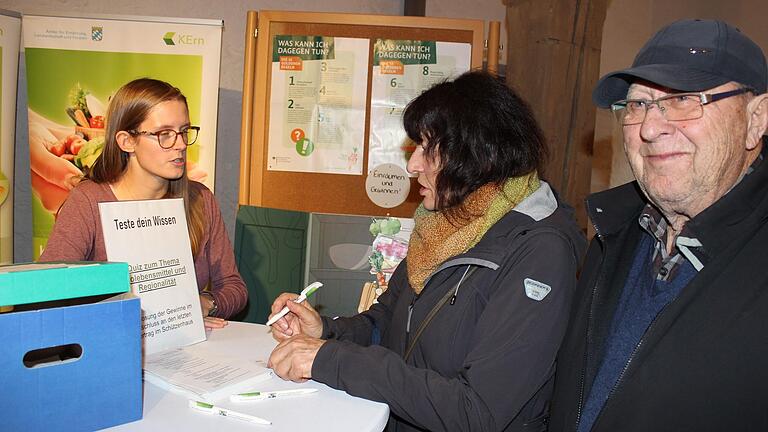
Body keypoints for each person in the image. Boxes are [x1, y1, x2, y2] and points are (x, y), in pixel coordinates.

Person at [267, 71, 586, 431]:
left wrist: (332, 359)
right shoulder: (445, 226)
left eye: (426, 148)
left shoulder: (540, 253)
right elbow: (385, 323)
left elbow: (477, 411)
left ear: (477, 156)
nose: (412, 165)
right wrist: (324, 330)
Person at [549, 19, 768, 432]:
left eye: (685, 99)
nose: (649, 129)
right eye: (637, 105)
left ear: (756, 119)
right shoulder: (612, 234)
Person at [39, 78, 247, 328]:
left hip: (183, 350)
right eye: (165, 134)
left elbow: (234, 287)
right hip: (110, 348)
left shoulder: (200, 199)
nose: (180, 145)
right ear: (127, 141)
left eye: (184, 131)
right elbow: (48, 290)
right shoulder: (88, 201)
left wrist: (205, 302)